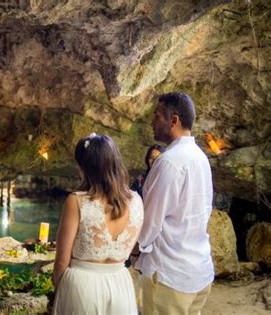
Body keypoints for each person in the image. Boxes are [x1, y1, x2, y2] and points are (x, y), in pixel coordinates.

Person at [134, 92, 214, 315]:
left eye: (156, 115)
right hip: (198, 270)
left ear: (173, 121)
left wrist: (133, 249)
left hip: (170, 275)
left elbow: (150, 222)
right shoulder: (200, 157)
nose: (151, 121)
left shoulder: (169, 162)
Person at [52, 133, 144, 314]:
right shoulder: (136, 201)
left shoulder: (76, 201)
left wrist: (60, 294)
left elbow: (61, 262)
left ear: (86, 168)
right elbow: (134, 248)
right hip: (120, 285)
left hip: (81, 288)